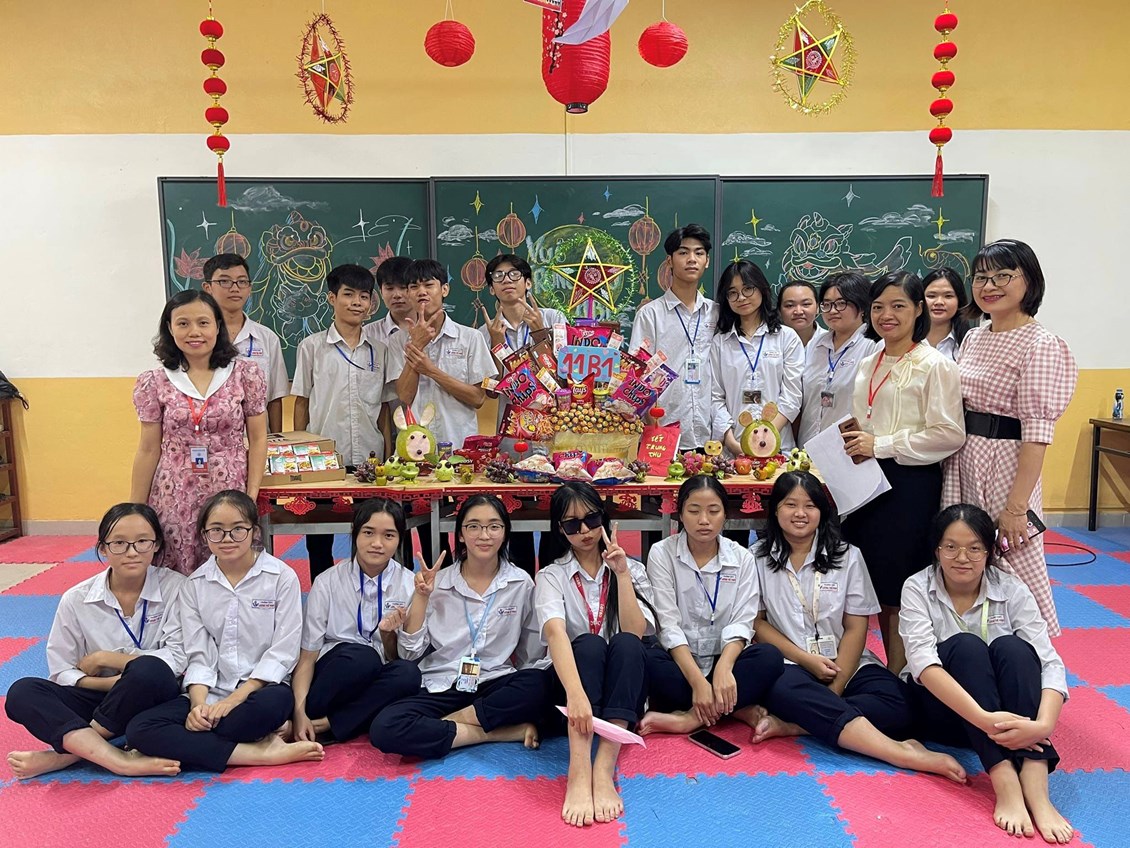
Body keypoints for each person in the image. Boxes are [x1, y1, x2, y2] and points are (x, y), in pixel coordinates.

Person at [748, 473, 966, 782]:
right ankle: (898, 752)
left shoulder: (848, 556)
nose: (800, 514)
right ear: (775, 510)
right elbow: (758, 623)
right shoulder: (756, 558)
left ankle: (798, 724)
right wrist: (806, 660)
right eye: (790, 505)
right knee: (782, 688)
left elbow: (855, 627)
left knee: (902, 705)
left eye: (810, 505)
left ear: (823, 511)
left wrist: (836, 688)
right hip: (792, 663)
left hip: (847, 662)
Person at [900, 504, 1073, 843]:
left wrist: (1044, 725)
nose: (962, 558)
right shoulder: (917, 587)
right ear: (936, 549)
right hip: (947, 715)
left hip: (1009, 723)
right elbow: (923, 664)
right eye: (951, 547)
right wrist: (984, 719)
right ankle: (1005, 780)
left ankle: (1036, 787)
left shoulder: (1011, 587)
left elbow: (1049, 662)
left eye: (974, 548)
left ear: (989, 552)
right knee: (966, 647)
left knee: (1013, 648)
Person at [126, 491, 323, 772]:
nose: (227, 539)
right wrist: (198, 706)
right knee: (139, 729)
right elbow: (199, 654)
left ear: (255, 531)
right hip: (212, 691)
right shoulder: (194, 585)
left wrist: (234, 700)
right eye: (216, 530)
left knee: (269, 707)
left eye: (238, 529)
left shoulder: (282, 577)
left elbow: (283, 651)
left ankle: (193, 745)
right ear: (204, 535)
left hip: (261, 691)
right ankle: (258, 752)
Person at [942, 240, 1077, 636]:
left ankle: (1033, 654)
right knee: (963, 555)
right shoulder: (974, 337)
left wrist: (1017, 507)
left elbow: (1037, 432)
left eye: (1003, 276)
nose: (989, 286)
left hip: (1005, 463)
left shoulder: (1042, 344)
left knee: (1013, 558)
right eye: (981, 277)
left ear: (1029, 281)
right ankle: (968, 646)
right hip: (963, 459)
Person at [840, 271, 964, 674]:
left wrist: (882, 444)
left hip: (909, 486)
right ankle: (874, 671)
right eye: (878, 307)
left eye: (898, 306)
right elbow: (865, 418)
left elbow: (949, 434)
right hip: (864, 483)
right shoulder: (868, 361)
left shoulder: (935, 365)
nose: (886, 315)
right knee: (868, 583)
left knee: (900, 588)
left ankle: (900, 676)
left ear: (918, 309)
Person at [5, 504, 185, 779]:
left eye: (142, 541)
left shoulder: (177, 588)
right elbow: (61, 670)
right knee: (22, 692)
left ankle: (67, 755)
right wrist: (112, 683)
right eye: (119, 543)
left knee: (149, 669)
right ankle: (118, 759)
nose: (132, 552)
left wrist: (106, 658)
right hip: (100, 698)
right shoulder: (77, 599)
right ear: (103, 548)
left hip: (154, 694)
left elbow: (178, 658)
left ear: (157, 544)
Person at [369, 495, 548, 759]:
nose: (484, 535)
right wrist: (421, 597)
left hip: (494, 682)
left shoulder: (521, 583)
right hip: (443, 683)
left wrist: (522, 690)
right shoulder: (437, 583)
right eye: (473, 526)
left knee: (540, 683)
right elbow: (408, 655)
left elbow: (530, 653)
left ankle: (444, 725)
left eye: (494, 526)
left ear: (504, 532)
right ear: (461, 535)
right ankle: (493, 732)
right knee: (385, 727)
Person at [535, 482, 654, 827]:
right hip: (573, 692)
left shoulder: (631, 568)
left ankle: (603, 767)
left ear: (604, 517)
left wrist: (622, 574)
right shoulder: (551, 576)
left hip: (620, 691)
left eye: (591, 519)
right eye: (572, 524)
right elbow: (555, 634)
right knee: (588, 644)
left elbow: (636, 631)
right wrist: (575, 695)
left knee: (627, 644)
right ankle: (578, 769)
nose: (585, 531)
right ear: (560, 529)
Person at [131, 290, 267, 575]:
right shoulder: (154, 381)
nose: (194, 332)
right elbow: (148, 449)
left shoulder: (245, 375)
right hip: (173, 492)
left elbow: (257, 439)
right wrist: (135, 510)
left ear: (217, 326)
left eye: (203, 323)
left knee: (231, 565)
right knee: (175, 572)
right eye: (183, 323)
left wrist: (251, 495)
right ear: (170, 329)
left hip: (230, 487)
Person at [639, 476, 784, 736]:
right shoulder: (662, 553)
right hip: (680, 660)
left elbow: (743, 621)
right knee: (645, 660)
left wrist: (724, 669)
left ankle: (691, 718)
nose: (704, 520)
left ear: (725, 514)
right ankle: (734, 708)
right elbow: (668, 625)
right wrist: (698, 683)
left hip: (725, 658)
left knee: (769, 657)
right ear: (680, 514)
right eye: (694, 511)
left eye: (713, 511)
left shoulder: (742, 557)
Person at [291, 499, 422, 745]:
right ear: (355, 533)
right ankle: (317, 718)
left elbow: (398, 659)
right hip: (334, 677)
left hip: (376, 676)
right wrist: (299, 711)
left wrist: (388, 636)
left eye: (388, 535)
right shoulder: (327, 582)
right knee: (361, 658)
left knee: (409, 674)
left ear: (400, 538)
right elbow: (307, 656)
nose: (377, 543)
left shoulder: (408, 584)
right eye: (368, 533)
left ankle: (330, 724)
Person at [292, 263, 392, 580]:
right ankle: (322, 595)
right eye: (348, 294)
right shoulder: (311, 347)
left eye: (364, 296)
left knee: (371, 535)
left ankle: (369, 592)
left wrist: (390, 455)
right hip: (322, 459)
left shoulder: (380, 350)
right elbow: (301, 402)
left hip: (371, 459)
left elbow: (385, 409)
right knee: (318, 539)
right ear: (332, 298)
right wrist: (300, 455)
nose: (357, 303)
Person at [479, 253, 568, 572]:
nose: (507, 281)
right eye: (498, 277)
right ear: (491, 289)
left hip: (553, 432)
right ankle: (520, 583)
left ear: (528, 283)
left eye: (514, 275)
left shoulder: (553, 317)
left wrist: (541, 332)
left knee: (556, 512)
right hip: (512, 433)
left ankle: (553, 582)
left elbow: (567, 375)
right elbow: (491, 390)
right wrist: (496, 344)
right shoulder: (485, 331)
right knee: (515, 515)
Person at [387, 258, 494, 451]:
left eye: (428, 285)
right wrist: (417, 345)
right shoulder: (397, 340)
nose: (421, 292)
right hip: (414, 450)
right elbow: (404, 397)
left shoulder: (470, 338)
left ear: (444, 289)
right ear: (408, 294)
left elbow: (478, 398)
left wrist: (431, 371)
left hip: (459, 447)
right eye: (414, 287)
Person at [629, 224, 717, 452]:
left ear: (707, 261)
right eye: (683, 252)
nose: (692, 259)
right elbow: (638, 374)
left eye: (699, 253)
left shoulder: (716, 313)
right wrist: (653, 427)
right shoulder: (650, 314)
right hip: (664, 431)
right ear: (669, 260)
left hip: (711, 435)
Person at [710, 259, 804, 456]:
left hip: (778, 448)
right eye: (732, 292)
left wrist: (766, 437)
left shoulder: (786, 337)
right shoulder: (720, 343)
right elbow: (715, 397)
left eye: (748, 289)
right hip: (735, 449)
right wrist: (731, 441)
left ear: (762, 289)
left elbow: (792, 396)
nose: (741, 297)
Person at [202, 253, 289, 433]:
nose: (235, 288)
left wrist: (275, 442)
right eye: (225, 281)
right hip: (210, 439)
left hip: (256, 440)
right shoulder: (197, 338)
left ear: (249, 288)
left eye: (242, 282)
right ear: (207, 288)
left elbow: (275, 398)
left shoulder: (267, 338)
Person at [796, 272, 879, 447]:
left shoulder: (873, 346)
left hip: (848, 450)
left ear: (862, 306)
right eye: (827, 304)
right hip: (807, 447)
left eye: (841, 303)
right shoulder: (815, 344)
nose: (832, 311)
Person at [922, 267, 972, 362]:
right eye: (931, 296)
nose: (939, 302)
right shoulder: (903, 338)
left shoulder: (971, 343)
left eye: (948, 296)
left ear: (959, 301)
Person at [371, 256, 415, 345]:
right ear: (381, 292)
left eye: (403, 287)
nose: (397, 295)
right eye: (389, 288)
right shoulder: (368, 334)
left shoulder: (433, 330)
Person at [777, 280, 820, 348]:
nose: (798, 312)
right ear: (779, 310)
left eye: (806, 304)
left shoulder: (830, 340)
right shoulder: (770, 341)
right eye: (790, 305)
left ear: (817, 308)